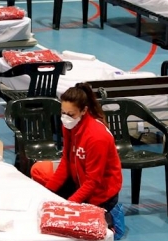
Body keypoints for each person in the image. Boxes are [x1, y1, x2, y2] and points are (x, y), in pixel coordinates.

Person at [31, 82, 123, 212]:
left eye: (71, 114)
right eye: (63, 112)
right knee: (39, 172)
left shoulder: (97, 138)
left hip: (100, 194)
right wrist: (47, 193)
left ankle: (110, 220)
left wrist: (69, 205)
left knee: (63, 216)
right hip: (79, 181)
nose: (65, 118)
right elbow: (66, 161)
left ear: (84, 111)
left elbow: (93, 181)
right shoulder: (69, 125)